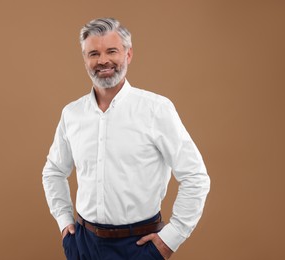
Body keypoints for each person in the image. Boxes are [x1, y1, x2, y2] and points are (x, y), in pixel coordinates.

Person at [42, 17, 210, 260]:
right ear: (85, 60)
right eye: (93, 54)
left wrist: (170, 240)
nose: (103, 61)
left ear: (128, 54)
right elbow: (54, 171)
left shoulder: (156, 109)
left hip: (138, 247)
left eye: (112, 51)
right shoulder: (72, 114)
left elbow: (195, 176)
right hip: (83, 245)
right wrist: (64, 222)